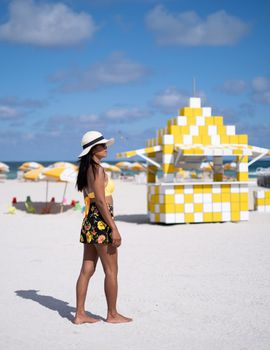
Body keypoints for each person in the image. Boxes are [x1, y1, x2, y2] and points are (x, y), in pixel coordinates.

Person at [74, 131, 132, 325]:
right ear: (93, 150)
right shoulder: (97, 170)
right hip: (101, 220)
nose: (106, 148)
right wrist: (114, 228)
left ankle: (80, 314)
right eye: (102, 145)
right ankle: (112, 314)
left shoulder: (86, 169)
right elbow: (100, 200)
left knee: (87, 269)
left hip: (90, 221)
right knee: (111, 270)